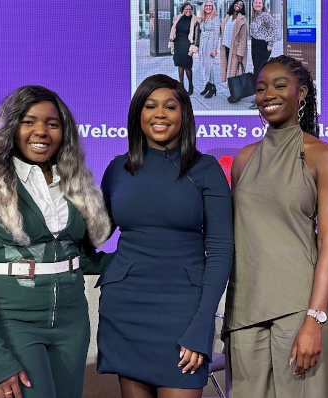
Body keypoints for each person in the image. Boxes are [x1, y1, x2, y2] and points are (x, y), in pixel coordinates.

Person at [0, 85, 112, 398]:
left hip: (72, 325)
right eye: (29, 121)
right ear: (11, 127)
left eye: (52, 124)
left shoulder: (75, 184)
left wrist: (145, 259)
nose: (41, 131)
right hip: (13, 324)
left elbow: (76, 254)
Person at [96, 74, 233, 398]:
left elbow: (220, 249)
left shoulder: (206, 169)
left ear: (184, 113)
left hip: (184, 311)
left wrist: (203, 326)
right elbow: (94, 235)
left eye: (170, 106)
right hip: (126, 310)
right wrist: (115, 269)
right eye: (150, 105)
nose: (160, 113)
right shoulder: (118, 168)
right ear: (136, 115)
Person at [223, 55, 328, 398]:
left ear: (301, 92)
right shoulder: (244, 159)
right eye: (261, 88)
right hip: (245, 311)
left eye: (279, 85)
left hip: (300, 309)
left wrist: (315, 318)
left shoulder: (323, 155)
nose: (267, 94)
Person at [248, 0, 279, 109]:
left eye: (259, 3)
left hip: (263, 45)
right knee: (257, 70)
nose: (257, 4)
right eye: (255, 3)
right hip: (255, 44)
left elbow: (275, 29)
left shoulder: (266, 15)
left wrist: (270, 43)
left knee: (259, 72)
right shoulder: (255, 15)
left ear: (262, 5)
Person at [219, 0, 248, 103]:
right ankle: (233, 92)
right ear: (233, 5)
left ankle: (235, 95)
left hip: (235, 50)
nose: (238, 6)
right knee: (228, 71)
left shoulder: (242, 20)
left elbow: (243, 39)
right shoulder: (228, 16)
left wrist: (240, 53)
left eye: (240, 5)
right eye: (237, 4)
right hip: (226, 47)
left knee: (234, 73)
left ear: (242, 8)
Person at [169, 3, 199, 95]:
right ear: (183, 9)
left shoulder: (195, 20)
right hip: (178, 44)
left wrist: (192, 49)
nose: (188, 11)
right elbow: (174, 32)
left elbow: (197, 36)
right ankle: (181, 86)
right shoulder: (178, 18)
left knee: (187, 67)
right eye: (186, 9)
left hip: (187, 45)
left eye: (190, 9)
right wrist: (172, 45)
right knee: (180, 65)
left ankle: (190, 85)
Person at [197, 0, 221, 99]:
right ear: (204, 7)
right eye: (206, 6)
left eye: (210, 6)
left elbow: (217, 34)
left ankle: (212, 86)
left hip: (210, 44)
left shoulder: (215, 18)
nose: (208, 7)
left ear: (213, 7)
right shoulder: (202, 17)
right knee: (204, 65)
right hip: (203, 44)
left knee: (209, 66)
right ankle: (207, 84)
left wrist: (215, 48)